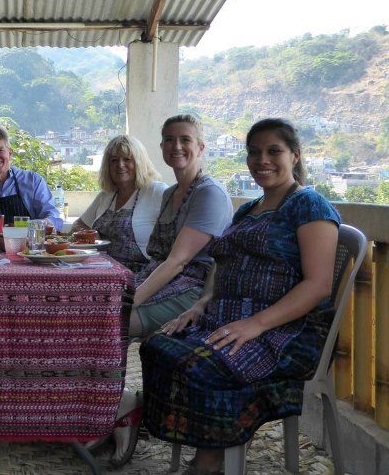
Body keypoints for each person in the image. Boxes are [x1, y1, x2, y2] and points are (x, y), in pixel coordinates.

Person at [140, 118, 340, 474]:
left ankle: (210, 460)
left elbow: (318, 285)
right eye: (254, 152)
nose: (262, 159)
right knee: (157, 347)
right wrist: (201, 305)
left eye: (273, 151)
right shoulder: (248, 210)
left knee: (201, 366)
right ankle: (213, 440)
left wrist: (255, 325)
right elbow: (223, 263)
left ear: (294, 156)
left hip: (284, 333)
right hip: (227, 318)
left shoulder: (309, 206)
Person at [131, 114, 232, 338]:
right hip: (158, 278)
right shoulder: (169, 193)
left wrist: (132, 300)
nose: (176, 146)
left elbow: (178, 261)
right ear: (161, 146)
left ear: (200, 147)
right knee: (97, 305)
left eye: (185, 140)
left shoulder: (209, 193)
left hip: (193, 290)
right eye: (169, 140)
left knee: (112, 321)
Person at [72, 135, 167, 273]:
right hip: (102, 270)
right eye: (114, 160)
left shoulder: (156, 191)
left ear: (139, 162)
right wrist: (91, 237)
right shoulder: (106, 195)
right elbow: (78, 225)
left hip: (141, 276)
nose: (120, 165)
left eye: (127, 159)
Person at [0, 126, 62, 230]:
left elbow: (53, 216)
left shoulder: (33, 181)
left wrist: (44, 223)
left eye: (0, 150)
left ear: (10, 153)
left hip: (28, 245)